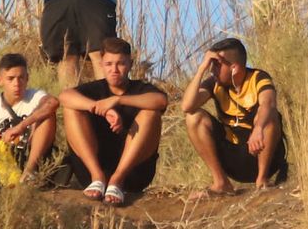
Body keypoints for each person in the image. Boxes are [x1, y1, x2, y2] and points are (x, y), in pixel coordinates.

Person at [59, 37, 168, 206]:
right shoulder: (94, 88)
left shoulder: (141, 89)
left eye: (120, 64)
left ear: (130, 64)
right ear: (101, 64)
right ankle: (98, 176)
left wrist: (118, 100)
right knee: (71, 108)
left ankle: (117, 179)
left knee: (151, 113)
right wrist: (97, 106)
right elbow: (64, 97)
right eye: (109, 64)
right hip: (91, 172)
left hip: (134, 174)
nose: (114, 70)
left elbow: (161, 101)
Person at [180, 37, 288, 195]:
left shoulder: (258, 78)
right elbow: (187, 106)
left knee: (269, 117)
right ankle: (221, 182)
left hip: (262, 153)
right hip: (234, 157)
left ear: (234, 68)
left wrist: (258, 129)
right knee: (193, 117)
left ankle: (262, 180)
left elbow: (269, 103)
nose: (212, 70)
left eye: (217, 65)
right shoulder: (214, 83)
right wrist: (201, 69)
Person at [0, 53, 60, 184]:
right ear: (0, 80)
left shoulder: (35, 96)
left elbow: (53, 103)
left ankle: (29, 173)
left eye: (21, 78)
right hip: (1, 163)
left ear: (27, 79)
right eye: (11, 79)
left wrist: (20, 127)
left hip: (30, 157)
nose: (17, 83)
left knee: (48, 115)